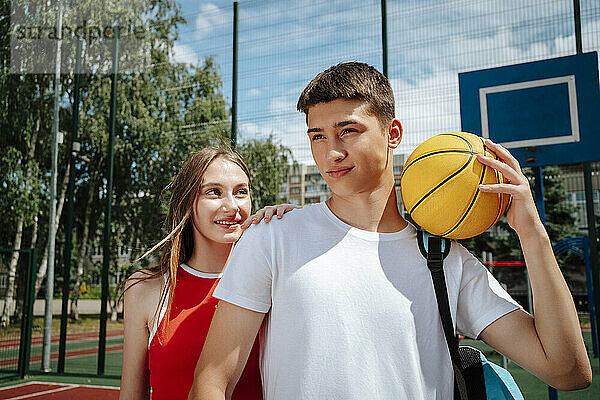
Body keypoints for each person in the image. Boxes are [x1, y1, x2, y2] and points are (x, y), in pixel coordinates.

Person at [188, 63, 592, 399]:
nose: (331, 152)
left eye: (348, 130)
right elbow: (212, 381)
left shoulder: (446, 260)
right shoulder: (271, 237)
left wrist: (532, 234)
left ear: (392, 133)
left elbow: (567, 371)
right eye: (317, 136)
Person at [119, 147, 296, 400]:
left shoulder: (275, 283)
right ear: (188, 203)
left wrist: (294, 229)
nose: (232, 206)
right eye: (214, 192)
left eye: (241, 192)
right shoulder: (145, 289)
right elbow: (131, 394)